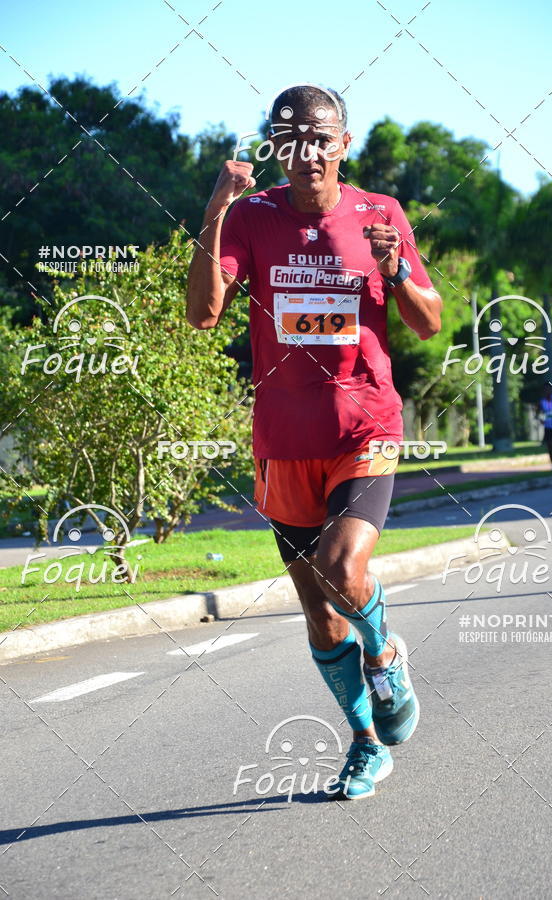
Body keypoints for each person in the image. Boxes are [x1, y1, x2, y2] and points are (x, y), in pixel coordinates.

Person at [186, 85, 442, 799]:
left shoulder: (380, 214)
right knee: (319, 612)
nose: (307, 152)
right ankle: (364, 743)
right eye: (291, 139)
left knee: (341, 566)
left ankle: (386, 654)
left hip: (366, 425)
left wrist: (393, 270)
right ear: (276, 147)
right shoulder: (252, 217)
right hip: (284, 441)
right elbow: (204, 314)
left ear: (343, 144)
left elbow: (426, 320)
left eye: (321, 138)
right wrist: (215, 210)